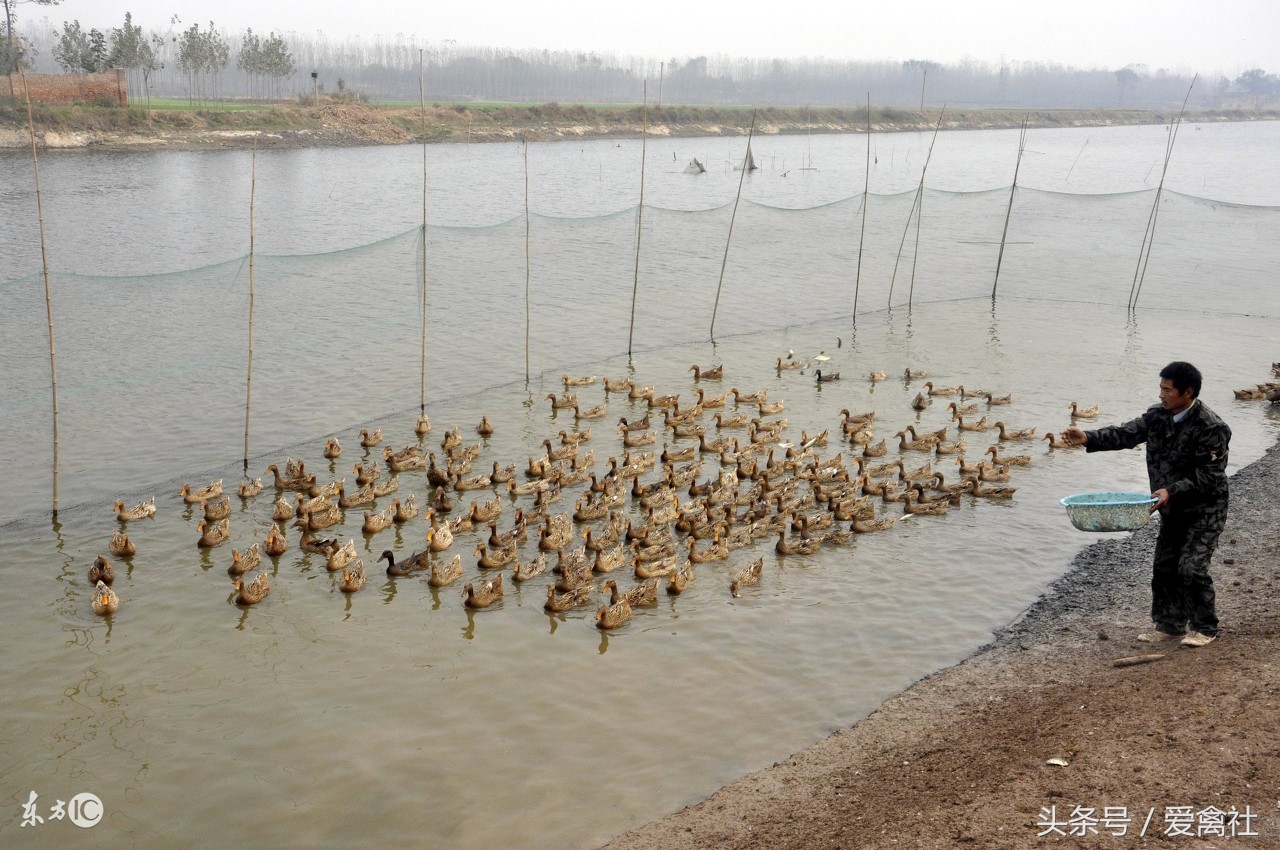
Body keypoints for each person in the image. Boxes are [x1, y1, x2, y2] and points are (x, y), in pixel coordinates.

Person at [1061, 361, 1230, 648]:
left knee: (1191, 568)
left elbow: (1209, 475)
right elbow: (1126, 434)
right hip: (1169, 505)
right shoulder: (1158, 415)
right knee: (1165, 566)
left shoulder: (1211, 427)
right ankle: (1170, 625)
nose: (1161, 394)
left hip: (1205, 509)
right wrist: (1088, 437)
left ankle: (1205, 627)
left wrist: (1171, 490)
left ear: (1187, 392)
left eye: (1167, 389)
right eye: (1160, 388)